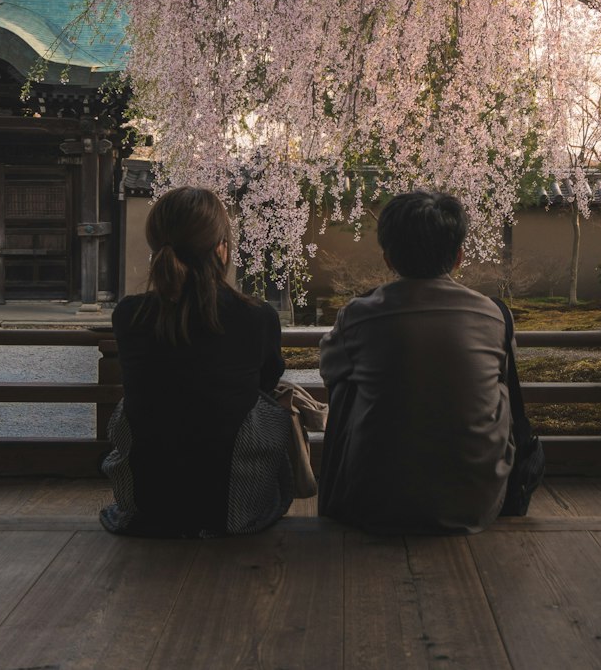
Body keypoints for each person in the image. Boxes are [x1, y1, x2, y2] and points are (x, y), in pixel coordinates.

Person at [318, 189, 516, 533]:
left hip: (375, 498)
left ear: (388, 259)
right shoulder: (493, 315)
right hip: (476, 500)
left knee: (347, 387)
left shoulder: (359, 315)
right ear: (458, 256)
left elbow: (330, 371)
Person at [100, 186, 293, 537]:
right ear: (221, 248)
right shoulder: (256, 316)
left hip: (151, 499)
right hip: (232, 501)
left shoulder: (129, 314)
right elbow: (264, 384)